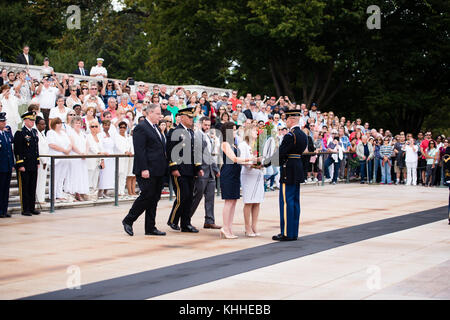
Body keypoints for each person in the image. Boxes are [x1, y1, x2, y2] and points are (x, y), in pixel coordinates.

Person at [122, 103, 168, 236]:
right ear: (150, 113)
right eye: (158, 114)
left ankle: (150, 227)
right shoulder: (141, 128)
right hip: (147, 169)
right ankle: (129, 220)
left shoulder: (156, 128)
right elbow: (140, 150)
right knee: (147, 195)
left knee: (154, 198)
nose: (161, 116)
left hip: (158, 169)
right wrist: (144, 169)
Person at [166, 107, 204, 233]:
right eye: (189, 117)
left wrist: (198, 168)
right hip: (180, 169)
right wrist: (174, 167)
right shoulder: (175, 131)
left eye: (192, 117)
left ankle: (186, 224)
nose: (191, 119)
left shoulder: (191, 132)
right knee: (183, 196)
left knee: (188, 198)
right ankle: (173, 220)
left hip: (190, 170)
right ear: (182, 117)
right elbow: (170, 151)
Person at [272, 110, 308, 241]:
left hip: (288, 169)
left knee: (287, 202)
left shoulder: (289, 135)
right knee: (295, 202)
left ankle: (286, 232)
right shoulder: (303, 135)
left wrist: (265, 162)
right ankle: (293, 232)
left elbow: (281, 153)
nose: (285, 122)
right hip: (297, 167)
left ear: (291, 120)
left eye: (286, 119)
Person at [190, 117, 221, 229]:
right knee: (196, 197)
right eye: (205, 125)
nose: (207, 127)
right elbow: (197, 154)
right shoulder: (197, 135)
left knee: (210, 197)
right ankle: (186, 219)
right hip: (202, 170)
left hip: (210, 171)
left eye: (208, 125)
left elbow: (210, 155)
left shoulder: (208, 136)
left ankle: (209, 220)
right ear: (200, 124)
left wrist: (215, 169)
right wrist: (198, 169)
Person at [239, 125, 264, 236]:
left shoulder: (258, 146)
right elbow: (242, 161)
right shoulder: (243, 145)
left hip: (258, 174)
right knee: (249, 201)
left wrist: (261, 162)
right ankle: (247, 226)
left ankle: (254, 225)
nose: (256, 132)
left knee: (257, 201)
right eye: (254, 130)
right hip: (248, 174)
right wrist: (253, 162)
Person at [13, 111, 40, 216]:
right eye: (30, 120)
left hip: (33, 163)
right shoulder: (20, 132)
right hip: (24, 164)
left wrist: (37, 160)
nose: (32, 122)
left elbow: (35, 149)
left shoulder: (34, 132)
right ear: (25, 120)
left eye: (33, 120)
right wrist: (20, 164)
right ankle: (25, 209)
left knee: (32, 186)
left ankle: (32, 207)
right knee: (25, 187)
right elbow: (18, 150)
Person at [47, 117, 72, 201]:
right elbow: (52, 145)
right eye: (58, 123)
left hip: (64, 158)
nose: (59, 125)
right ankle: (52, 195)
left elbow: (69, 143)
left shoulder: (63, 133)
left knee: (62, 177)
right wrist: (64, 150)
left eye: (60, 123)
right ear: (54, 124)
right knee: (55, 176)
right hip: (56, 157)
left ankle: (59, 193)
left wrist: (68, 150)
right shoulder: (51, 132)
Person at [66, 116, 90, 201]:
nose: (78, 124)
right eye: (76, 123)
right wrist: (80, 153)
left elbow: (87, 144)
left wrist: (85, 153)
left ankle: (79, 191)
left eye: (79, 123)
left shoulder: (83, 134)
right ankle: (72, 192)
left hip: (83, 157)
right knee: (74, 174)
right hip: (75, 156)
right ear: (73, 124)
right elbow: (72, 145)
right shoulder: (71, 133)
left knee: (81, 174)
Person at [0, 112, 14, 218]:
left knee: (5, 190)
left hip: (7, 166)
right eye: (2, 121)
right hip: (1, 167)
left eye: (4, 121)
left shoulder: (6, 134)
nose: (4, 123)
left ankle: (4, 210)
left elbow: (10, 151)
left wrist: (12, 164)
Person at [114, 121, 133, 198]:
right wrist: (125, 151)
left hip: (126, 158)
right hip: (120, 157)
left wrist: (129, 152)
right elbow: (118, 146)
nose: (122, 129)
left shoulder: (127, 137)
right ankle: (118, 191)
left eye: (124, 127)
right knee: (119, 173)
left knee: (124, 174)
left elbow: (129, 146)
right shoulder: (117, 137)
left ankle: (121, 191)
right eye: (121, 127)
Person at [97, 120, 115, 198]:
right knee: (102, 175)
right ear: (102, 125)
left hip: (111, 157)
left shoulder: (111, 134)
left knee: (109, 175)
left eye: (108, 125)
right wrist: (102, 159)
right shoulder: (100, 134)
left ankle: (105, 192)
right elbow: (100, 146)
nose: (107, 126)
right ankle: (99, 192)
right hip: (104, 156)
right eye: (105, 125)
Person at [86, 119, 104, 197]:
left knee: (96, 177)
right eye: (92, 126)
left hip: (98, 160)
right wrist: (100, 153)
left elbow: (102, 148)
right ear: (89, 128)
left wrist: (102, 159)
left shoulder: (99, 136)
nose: (94, 128)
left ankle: (94, 194)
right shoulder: (88, 136)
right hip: (90, 160)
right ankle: (88, 194)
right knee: (90, 176)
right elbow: (92, 148)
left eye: (96, 126)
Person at [35, 116, 49, 205]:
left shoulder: (43, 134)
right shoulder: (36, 134)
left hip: (45, 160)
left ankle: (41, 197)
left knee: (43, 180)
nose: (44, 126)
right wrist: (44, 160)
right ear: (37, 125)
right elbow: (39, 149)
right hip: (40, 160)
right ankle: (38, 198)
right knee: (39, 180)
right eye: (42, 124)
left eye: (44, 124)